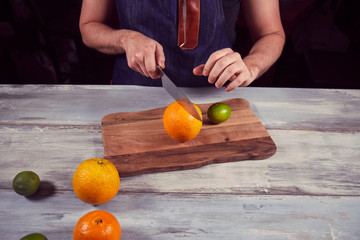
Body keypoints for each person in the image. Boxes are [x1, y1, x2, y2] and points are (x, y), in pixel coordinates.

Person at [79, 0, 285, 91]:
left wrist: (250, 66)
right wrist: (125, 38)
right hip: (134, 95)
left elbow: (271, 33)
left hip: (216, 101)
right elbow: (89, 27)